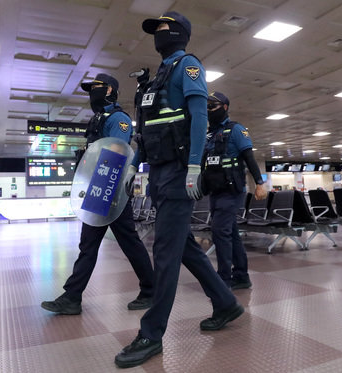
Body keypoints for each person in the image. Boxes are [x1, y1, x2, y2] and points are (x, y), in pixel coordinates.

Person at [114, 12, 243, 369]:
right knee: (183, 246)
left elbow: (199, 116)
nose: (159, 34)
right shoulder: (157, 80)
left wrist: (194, 166)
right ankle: (225, 302)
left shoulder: (188, 65)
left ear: (182, 33)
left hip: (178, 172)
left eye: (165, 28)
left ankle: (151, 334)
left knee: (166, 253)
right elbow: (148, 131)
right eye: (155, 30)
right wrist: (132, 165)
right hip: (159, 172)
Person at [41, 73, 154, 315]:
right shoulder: (97, 119)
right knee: (90, 245)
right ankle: (72, 297)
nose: (92, 92)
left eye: (97, 87)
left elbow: (117, 152)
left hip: (110, 190)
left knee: (128, 243)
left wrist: (108, 191)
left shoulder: (118, 119)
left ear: (111, 91)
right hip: (97, 188)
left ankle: (151, 289)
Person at [201, 91, 266, 289]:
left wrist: (260, 183)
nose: (209, 110)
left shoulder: (236, 130)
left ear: (225, 107)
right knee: (232, 233)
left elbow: (249, 157)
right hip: (215, 190)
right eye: (207, 106)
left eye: (213, 106)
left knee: (220, 231)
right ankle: (241, 276)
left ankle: (224, 279)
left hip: (231, 191)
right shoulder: (209, 134)